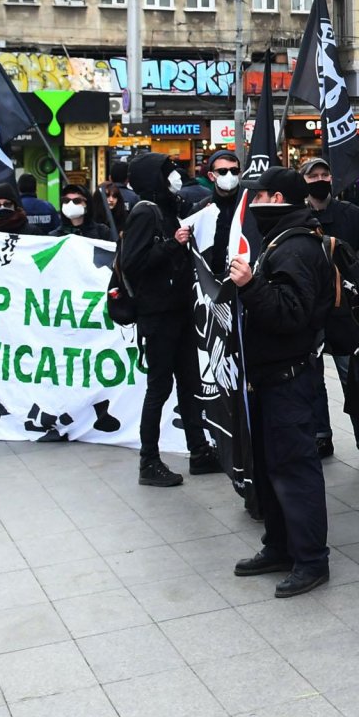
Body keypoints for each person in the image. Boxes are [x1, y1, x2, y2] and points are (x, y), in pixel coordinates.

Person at [228, 167, 332, 597]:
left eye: (261, 196)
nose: (253, 204)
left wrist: (250, 286)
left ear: (279, 198)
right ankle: (279, 545)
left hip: (289, 379)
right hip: (269, 378)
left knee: (294, 469)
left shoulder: (295, 249)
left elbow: (291, 313)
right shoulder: (280, 242)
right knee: (272, 468)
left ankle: (310, 560)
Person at [116, 153, 216, 487]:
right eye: (167, 172)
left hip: (178, 311)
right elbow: (133, 263)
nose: (174, 177)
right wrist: (172, 246)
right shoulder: (145, 212)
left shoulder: (168, 208)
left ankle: (198, 450)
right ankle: (149, 461)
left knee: (189, 384)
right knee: (159, 388)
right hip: (158, 316)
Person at [300, 156, 359, 465]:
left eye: (326, 173)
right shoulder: (299, 217)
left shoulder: (351, 214)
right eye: (314, 175)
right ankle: (320, 435)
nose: (321, 179)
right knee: (312, 375)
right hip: (311, 308)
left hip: (345, 308)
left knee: (352, 373)